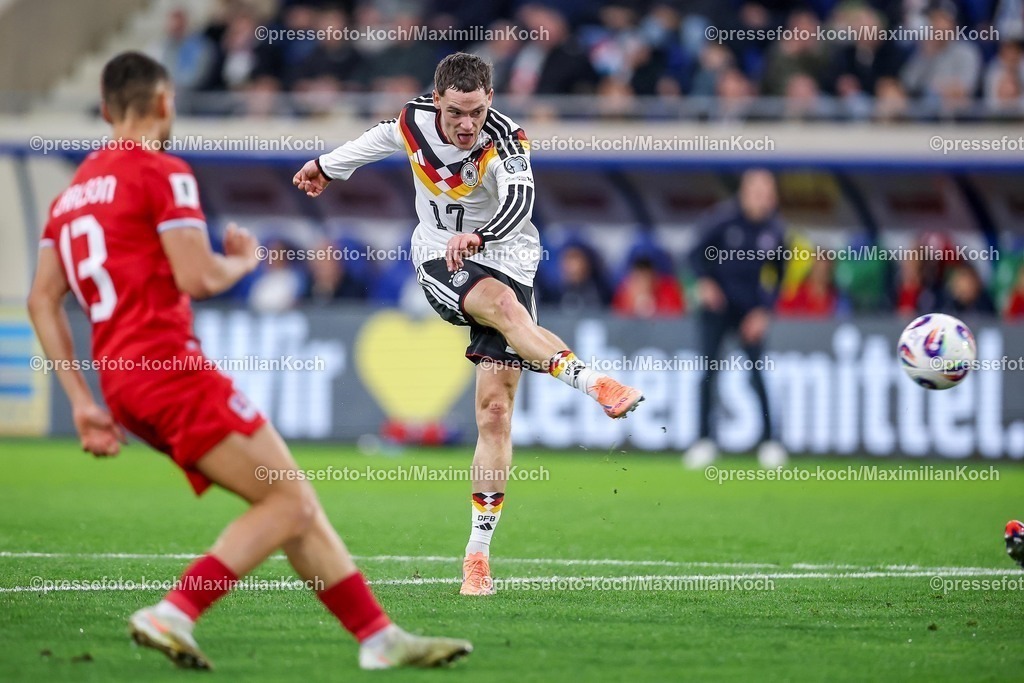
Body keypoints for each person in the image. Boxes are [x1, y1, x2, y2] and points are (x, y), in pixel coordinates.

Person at [26, 52, 470, 671]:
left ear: (105, 111)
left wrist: (79, 403)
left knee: (296, 503)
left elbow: (41, 301)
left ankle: (378, 637)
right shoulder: (161, 170)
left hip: (122, 383)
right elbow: (198, 276)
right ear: (163, 104)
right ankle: (175, 610)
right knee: (286, 502)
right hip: (169, 367)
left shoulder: (70, 197)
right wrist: (241, 259)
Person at [293, 52, 644, 596]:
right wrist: (325, 165)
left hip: (506, 254)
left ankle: (477, 555)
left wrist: (481, 237)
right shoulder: (414, 123)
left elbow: (521, 202)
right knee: (504, 310)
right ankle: (595, 383)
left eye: (477, 112)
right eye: (456, 112)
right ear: (438, 101)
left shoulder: (507, 140)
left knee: (496, 412)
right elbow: (381, 138)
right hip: (441, 256)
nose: (466, 124)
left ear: (490, 103)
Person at [685, 169, 787, 470]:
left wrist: (764, 311)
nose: (763, 199)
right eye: (758, 193)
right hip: (716, 308)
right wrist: (705, 283)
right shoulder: (722, 220)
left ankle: (769, 441)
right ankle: (703, 440)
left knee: (757, 374)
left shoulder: (775, 230)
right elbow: (693, 255)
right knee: (708, 371)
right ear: (744, 193)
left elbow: (779, 275)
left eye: (768, 194)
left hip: (749, 311)